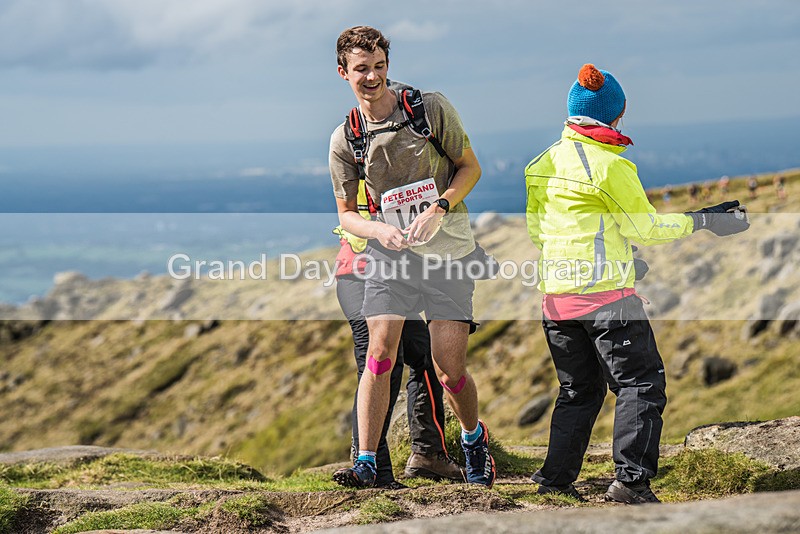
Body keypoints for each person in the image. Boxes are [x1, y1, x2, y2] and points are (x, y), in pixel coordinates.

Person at [524, 64, 750, 504]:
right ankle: (630, 482)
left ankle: (555, 479)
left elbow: (543, 232)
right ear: (616, 114)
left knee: (578, 390)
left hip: (555, 299)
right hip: (607, 301)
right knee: (641, 385)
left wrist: (618, 258)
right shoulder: (611, 166)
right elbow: (646, 228)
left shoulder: (541, 163)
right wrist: (704, 220)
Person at [329, 26, 495, 488]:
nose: (373, 77)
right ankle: (365, 460)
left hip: (448, 255)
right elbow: (346, 215)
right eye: (362, 69)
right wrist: (379, 227)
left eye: (379, 66)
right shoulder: (346, 138)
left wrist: (440, 208)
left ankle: (472, 438)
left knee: (448, 369)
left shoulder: (428, 109)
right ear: (343, 72)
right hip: (390, 257)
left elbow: (470, 167)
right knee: (379, 355)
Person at [332, 186, 464, 488]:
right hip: (358, 271)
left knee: (426, 354)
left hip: (396, 272)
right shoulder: (359, 151)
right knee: (381, 362)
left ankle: (428, 454)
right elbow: (348, 212)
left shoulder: (411, 152)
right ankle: (374, 470)